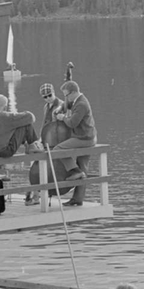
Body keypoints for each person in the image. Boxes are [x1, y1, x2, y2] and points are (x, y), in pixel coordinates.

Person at [0, 94, 41, 217]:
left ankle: (30, 145)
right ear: (5, 107)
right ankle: (33, 145)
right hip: (5, 151)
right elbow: (30, 117)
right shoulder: (7, 116)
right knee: (25, 124)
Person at [50, 79, 96, 207]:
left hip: (84, 138)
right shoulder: (76, 100)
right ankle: (77, 199)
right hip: (87, 136)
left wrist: (62, 117)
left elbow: (72, 123)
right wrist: (60, 107)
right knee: (84, 170)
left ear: (74, 92)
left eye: (66, 95)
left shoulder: (81, 104)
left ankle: (74, 171)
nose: (65, 98)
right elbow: (67, 105)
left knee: (58, 149)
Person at [26, 83, 70, 204]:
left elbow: (64, 123)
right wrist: (41, 139)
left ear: (54, 92)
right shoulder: (46, 107)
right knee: (34, 163)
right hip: (46, 140)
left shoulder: (61, 105)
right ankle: (36, 194)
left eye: (49, 95)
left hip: (58, 141)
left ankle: (36, 195)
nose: (48, 98)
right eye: (45, 97)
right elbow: (45, 125)